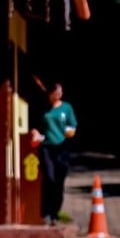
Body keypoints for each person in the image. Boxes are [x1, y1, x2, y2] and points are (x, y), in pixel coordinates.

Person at [31, 80, 77, 226]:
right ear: (49, 94)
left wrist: (70, 132)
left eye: (59, 92)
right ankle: (45, 213)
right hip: (46, 147)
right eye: (54, 92)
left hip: (62, 147)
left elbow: (72, 125)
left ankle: (55, 213)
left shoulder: (67, 108)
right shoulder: (43, 108)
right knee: (49, 178)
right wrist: (35, 133)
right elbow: (34, 126)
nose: (56, 95)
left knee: (59, 181)